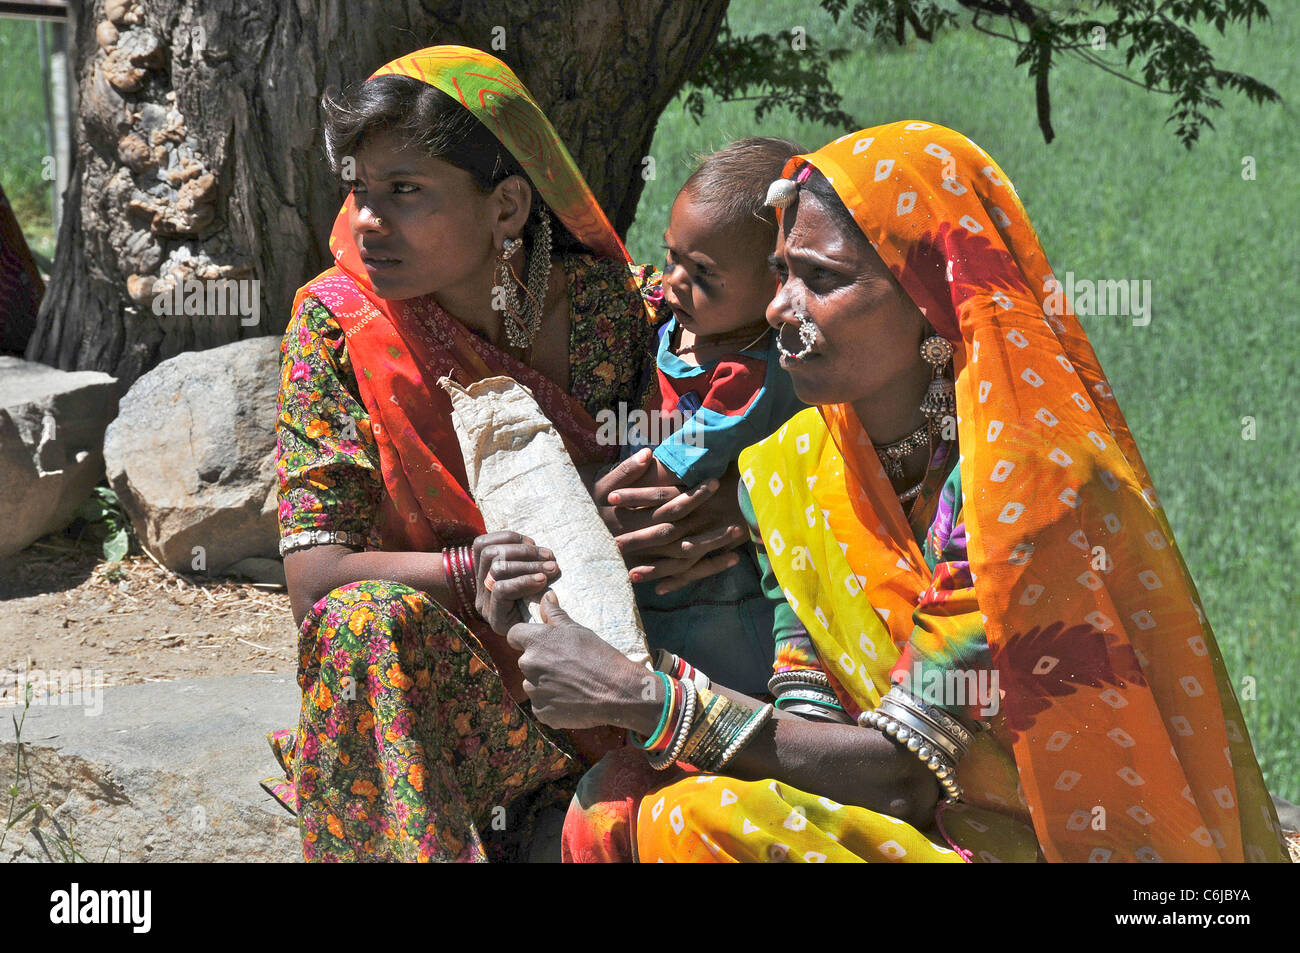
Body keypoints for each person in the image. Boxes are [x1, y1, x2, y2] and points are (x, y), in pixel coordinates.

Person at [483, 120, 1290, 862]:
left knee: (691, 824)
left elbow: (905, 773)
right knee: (625, 805)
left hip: (1043, 841)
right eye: (780, 274)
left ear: (936, 301)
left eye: (821, 280)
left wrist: (644, 696)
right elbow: (814, 710)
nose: (778, 309)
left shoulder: (1028, 490)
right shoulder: (794, 463)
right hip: (915, 826)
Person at [264, 45, 741, 862]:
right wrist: (471, 572)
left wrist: (725, 503)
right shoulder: (338, 329)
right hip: (451, 690)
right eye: (361, 190)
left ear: (509, 206)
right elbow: (315, 581)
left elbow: (755, 396)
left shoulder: (604, 308)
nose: (368, 220)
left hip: (616, 671)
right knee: (359, 624)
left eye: (405, 191)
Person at [628, 137, 808, 694]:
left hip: (722, 584)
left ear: (777, 282)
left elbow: (672, 470)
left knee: (716, 689)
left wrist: (585, 498)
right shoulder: (678, 323)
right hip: (669, 562)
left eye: (703, 274)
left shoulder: (748, 372)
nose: (675, 281)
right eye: (673, 256)